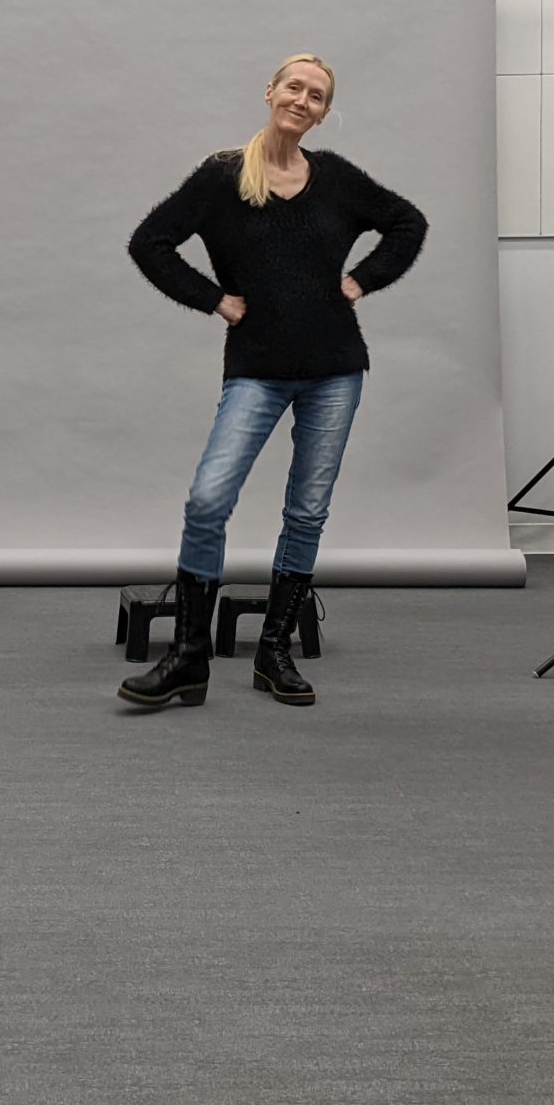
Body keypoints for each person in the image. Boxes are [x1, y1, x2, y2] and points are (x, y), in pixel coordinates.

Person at [120, 53, 427, 710]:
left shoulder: (337, 179)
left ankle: (274, 653)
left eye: (317, 95)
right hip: (257, 368)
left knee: (307, 510)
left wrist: (360, 281)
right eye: (295, 87)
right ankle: (189, 660)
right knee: (208, 500)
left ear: (322, 111)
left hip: (335, 369)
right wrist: (216, 299)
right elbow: (149, 241)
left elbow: (408, 224)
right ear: (270, 92)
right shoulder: (223, 176)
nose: (303, 100)